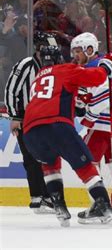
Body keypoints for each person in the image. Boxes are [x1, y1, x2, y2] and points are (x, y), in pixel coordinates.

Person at [21, 45, 112, 228]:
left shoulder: (37, 79)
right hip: (56, 124)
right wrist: (107, 65)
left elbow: (60, 98)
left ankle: (60, 207)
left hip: (30, 130)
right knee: (86, 167)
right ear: (60, 59)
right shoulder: (66, 69)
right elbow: (97, 78)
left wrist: (78, 107)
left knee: (50, 164)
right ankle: (106, 209)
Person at [70, 32, 112, 224]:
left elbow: (102, 97)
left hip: (103, 123)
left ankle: (99, 208)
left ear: (90, 50)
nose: (76, 55)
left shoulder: (92, 69)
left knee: (88, 165)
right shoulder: (108, 63)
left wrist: (87, 119)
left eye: (79, 51)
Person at [3, 31, 56, 214]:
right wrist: (15, 117)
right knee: (31, 158)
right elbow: (11, 90)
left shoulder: (55, 66)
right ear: (40, 48)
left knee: (47, 158)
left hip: (47, 119)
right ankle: (38, 197)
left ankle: (48, 195)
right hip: (25, 117)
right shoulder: (26, 65)